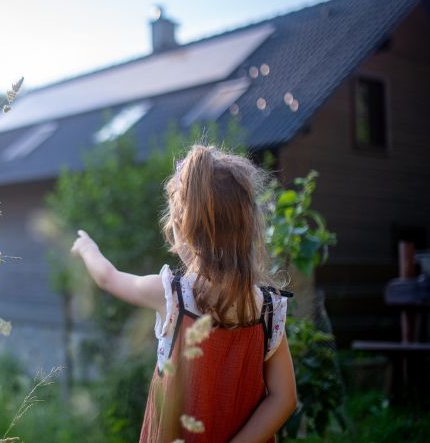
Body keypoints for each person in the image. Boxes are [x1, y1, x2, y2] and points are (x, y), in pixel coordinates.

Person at [71, 144, 297, 442]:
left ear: (180, 226)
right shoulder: (267, 310)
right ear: (247, 228)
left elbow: (107, 278)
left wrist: (88, 248)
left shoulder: (172, 297)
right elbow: (284, 399)